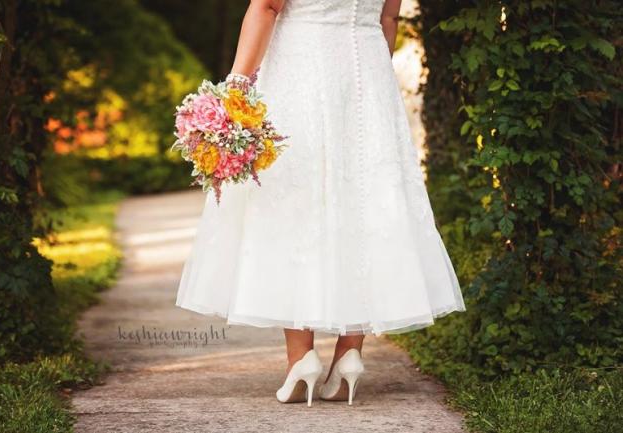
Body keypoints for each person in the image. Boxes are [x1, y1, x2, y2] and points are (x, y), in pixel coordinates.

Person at [176, 0, 465, 407]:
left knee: (296, 201)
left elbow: (265, 6)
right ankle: (349, 353)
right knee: (365, 202)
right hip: (368, 80)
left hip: (302, 72)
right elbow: (388, 17)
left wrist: (237, 86)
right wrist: (370, 83)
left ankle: (301, 358)